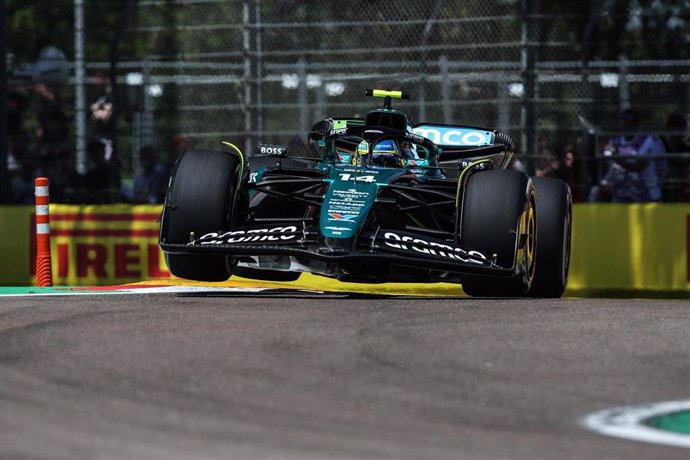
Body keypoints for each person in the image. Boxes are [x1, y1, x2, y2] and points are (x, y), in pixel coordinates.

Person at [589, 108, 667, 203]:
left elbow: (638, 165)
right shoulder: (615, 141)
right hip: (621, 197)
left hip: (647, 197)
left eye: (629, 122)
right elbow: (608, 159)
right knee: (596, 192)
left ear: (636, 123)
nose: (624, 125)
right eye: (622, 121)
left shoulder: (649, 139)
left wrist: (616, 158)